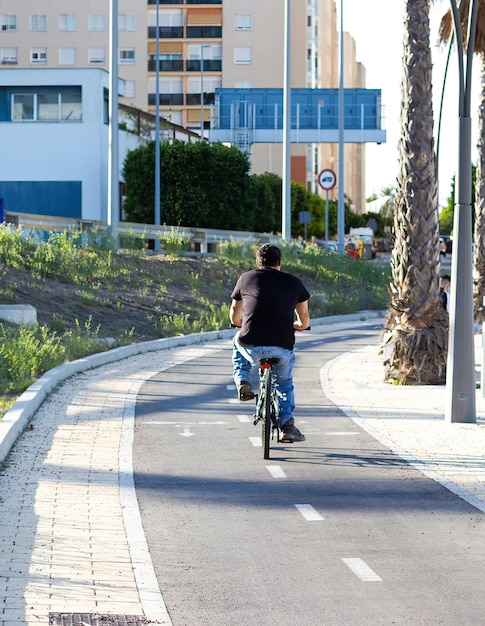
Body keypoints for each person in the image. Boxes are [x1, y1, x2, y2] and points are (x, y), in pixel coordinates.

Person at [229, 243, 310, 443]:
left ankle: (242, 381)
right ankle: (287, 426)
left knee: (237, 340)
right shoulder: (294, 283)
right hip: (281, 346)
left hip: (251, 343)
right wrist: (299, 326)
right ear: (280, 262)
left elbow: (234, 314)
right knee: (284, 383)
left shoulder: (245, 279)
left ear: (258, 262)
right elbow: (304, 318)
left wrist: (239, 323)